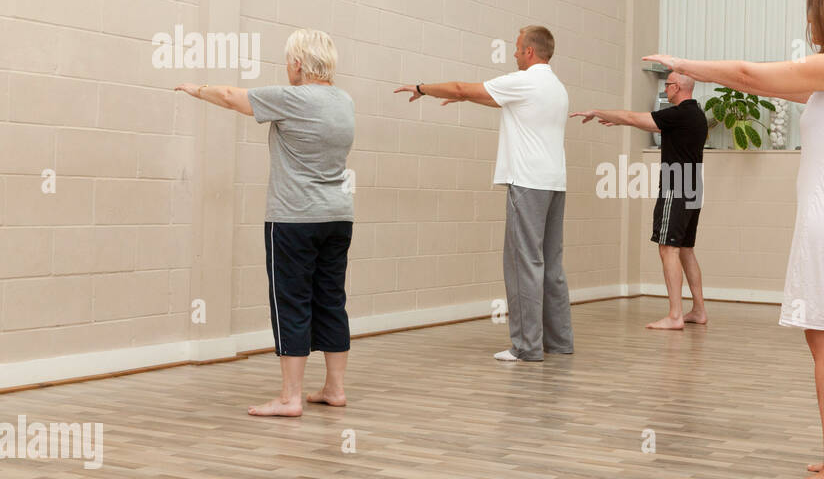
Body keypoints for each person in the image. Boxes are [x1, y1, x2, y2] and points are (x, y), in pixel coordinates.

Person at [645, 0, 824, 479]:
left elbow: (748, 74)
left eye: (814, 10)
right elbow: (760, 82)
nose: (808, 21)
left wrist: (684, 64)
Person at [175, 29, 356, 417]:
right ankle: (334, 388)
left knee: (291, 301)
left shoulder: (290, 98)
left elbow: (229, 97)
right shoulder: (344, 101)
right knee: (331, 298)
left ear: (296, 63)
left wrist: (197, 88)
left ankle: (290, 397)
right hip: (338, 217)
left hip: (293, 219)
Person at [396, 26, 573, 362]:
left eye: (517, 48)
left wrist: (423, 88)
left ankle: (526, 346)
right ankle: (560, 341)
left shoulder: (525, 80)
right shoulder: (555, 87)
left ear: (530, 52)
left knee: (523, 263)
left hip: (527, 182)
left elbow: (465, 87)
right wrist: (465, 96)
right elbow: (498, 100)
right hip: (554, 183)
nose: (514, 53)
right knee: (550, 264)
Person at [571, 72, 709, 330]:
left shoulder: (678, 114)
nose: (666, 90)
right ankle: (698, 310)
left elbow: (632, 116)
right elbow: (649, 124)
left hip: (675, 187)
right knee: (685, 249)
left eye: (667, 85)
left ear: (677, 87)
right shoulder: (696, 115)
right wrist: (624, 122)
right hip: (693, 186)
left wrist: (598, 111)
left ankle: (676, 315)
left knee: (668, 248)